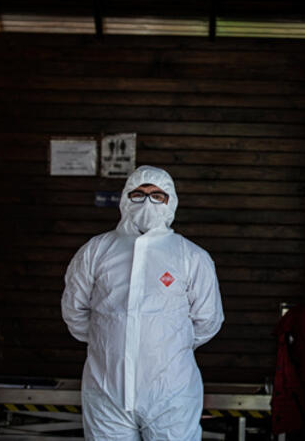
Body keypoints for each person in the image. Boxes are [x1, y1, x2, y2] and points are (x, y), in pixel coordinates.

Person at [61, 165, 224, 440]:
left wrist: (165, 346)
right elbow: (74, 310)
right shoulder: (96, 251)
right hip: (107, 389)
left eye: (157, 195)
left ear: (170, 201)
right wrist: (111, 341)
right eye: (139, 193)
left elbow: (207, 320)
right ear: (125, 199)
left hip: (171, 392)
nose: (148, 201)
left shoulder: (191, 256)